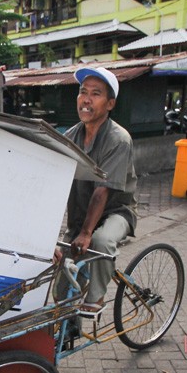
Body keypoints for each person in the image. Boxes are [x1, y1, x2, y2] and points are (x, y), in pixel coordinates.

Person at [53, 67, 137, 316]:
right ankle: (69, 330)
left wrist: (87, 233)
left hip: (116, 212)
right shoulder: (70, 136)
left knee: (100, 242)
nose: (86, 99)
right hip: (81, 215)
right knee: (61, 287)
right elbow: (55, 184)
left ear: (110, 103)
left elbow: (103, 190)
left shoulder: (118, 139)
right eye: (83, 92)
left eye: (96, 94)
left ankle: (97, 296)